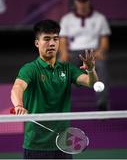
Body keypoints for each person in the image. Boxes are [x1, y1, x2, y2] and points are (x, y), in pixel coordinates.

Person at [11, 19, 98, 159]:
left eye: (55, 39)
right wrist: (19, 105)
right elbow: (17, 87)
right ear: (37, 43)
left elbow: (91, 83)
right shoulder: (30, 69)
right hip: (35, 145)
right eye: (46, 39)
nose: (52, 43)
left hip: (64, 143)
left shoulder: (67, 69)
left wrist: (91, 70)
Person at [59, 0, 111, 111]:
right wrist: (64, 53)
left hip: (92, 52)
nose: (82, 3)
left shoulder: (100, 18)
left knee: (101, 66)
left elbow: (104, 41)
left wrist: (100, 51)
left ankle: (102, 102)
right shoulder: (66, 19)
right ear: (75, 1)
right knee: (58, 66)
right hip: (73, 53)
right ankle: (59, 102)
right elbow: (62, 40)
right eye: (79, 0)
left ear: (89, 0)